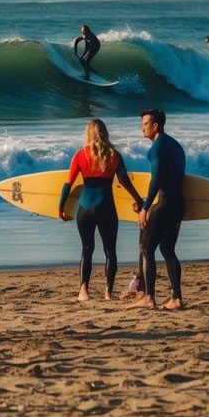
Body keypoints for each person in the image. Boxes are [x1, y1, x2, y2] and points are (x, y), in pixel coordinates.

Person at [58, 119, 143, 301]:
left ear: (88, 134)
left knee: (86, 249)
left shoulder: (80, 155)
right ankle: (107, 293)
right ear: (105, 133)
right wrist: (138, 200)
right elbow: (124, 181)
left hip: (85, 209)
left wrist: (61, 208)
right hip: (106, 208)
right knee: (110, 251)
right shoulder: (114, 155)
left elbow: (68, 183)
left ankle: (83, 291)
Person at [132, 108, 186, 310]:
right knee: (167, 249)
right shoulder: (176, 146)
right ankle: (177, 298)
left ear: (156, 126)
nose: (142, 128)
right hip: (178, 205)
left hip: (164, 204)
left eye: (145, 124)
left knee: (146, 248)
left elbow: (156, 180)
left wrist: (145, 208)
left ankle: (148, 297)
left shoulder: (157, 148)